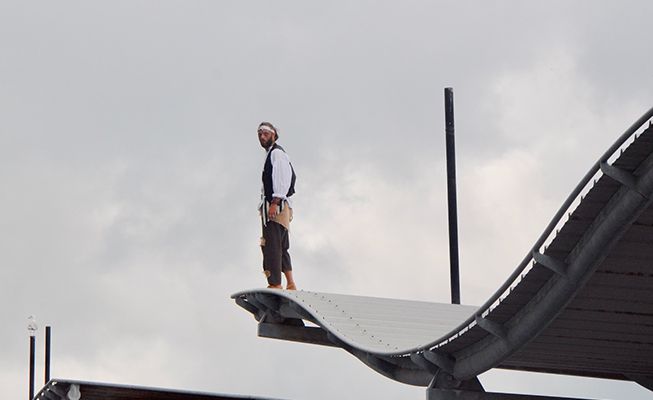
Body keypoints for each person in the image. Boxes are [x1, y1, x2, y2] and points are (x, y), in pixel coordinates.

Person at [257, 122, 297, 290]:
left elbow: (282, 178)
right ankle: (290, 282)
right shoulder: (272, 154)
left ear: (273, 135)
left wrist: (274, 203)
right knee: (281, 245)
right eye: (260, 134)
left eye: (265, 133)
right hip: (277, 204)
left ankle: (275, 283)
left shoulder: (277, 154)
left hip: (276, 205)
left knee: (272, 245)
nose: (262, 136)